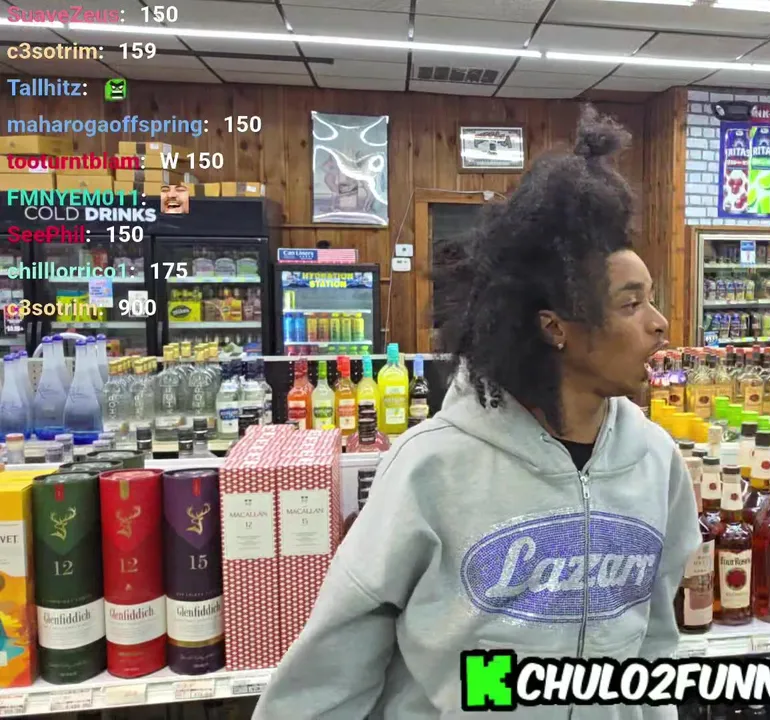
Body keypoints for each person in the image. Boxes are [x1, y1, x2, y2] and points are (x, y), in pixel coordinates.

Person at [253, 106, 699, 718]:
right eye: (631, 304)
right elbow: (331, 675)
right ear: (555, 327)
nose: (660, 323)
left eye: (652, 300)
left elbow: (654, 642)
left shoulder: (655, 461)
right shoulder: (431, 467)